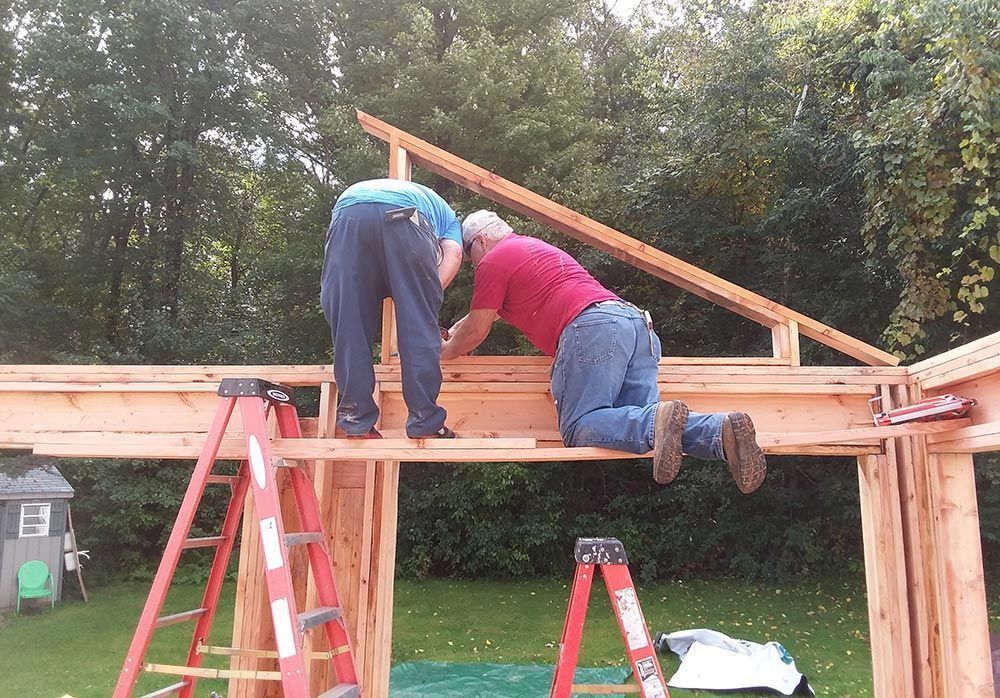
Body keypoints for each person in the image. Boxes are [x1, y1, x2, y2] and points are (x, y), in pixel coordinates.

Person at [440, 210, 766, 493]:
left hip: (594, 329)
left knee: (580, 427)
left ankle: (661, 419)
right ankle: (723, 430)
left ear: (479, 242)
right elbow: (475, 320)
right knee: (644, 429)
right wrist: (451, 335)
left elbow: (477, 330)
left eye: (470, 257)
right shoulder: (531, 250)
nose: (473, 265)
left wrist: (440, 353)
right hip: (636, 327)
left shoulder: (493, 262)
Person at [321, 178, 462, 439]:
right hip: (405, 215)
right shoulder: (451, 222)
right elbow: (452, 255)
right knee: (418, 325)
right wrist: (420, 297)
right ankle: (425, 421)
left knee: (349, 321)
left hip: (348, 215)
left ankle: (356, 420)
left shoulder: (422, 196)